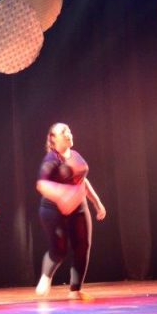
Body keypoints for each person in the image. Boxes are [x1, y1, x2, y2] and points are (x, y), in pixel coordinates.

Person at [34, 123, 106, 300]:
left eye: (69, 130)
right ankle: (46, 276)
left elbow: (83, 181)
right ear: (53, 139)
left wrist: (97, 202)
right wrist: (63, 197)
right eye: (63, 132)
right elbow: (42, 185)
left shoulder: (76, 155)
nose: (68, 134)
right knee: (59, 250)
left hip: (79, 207)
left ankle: (75, 290)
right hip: (53, 209)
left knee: (82, 246)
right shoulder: (51, 160)